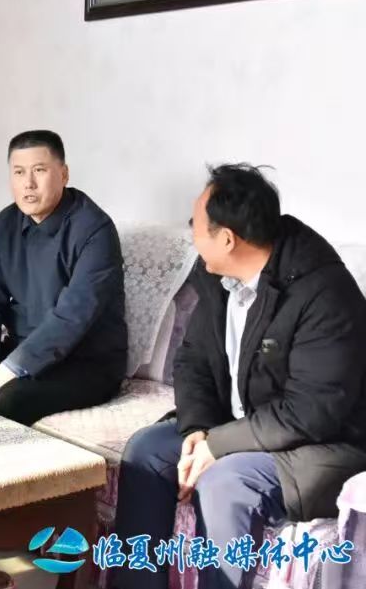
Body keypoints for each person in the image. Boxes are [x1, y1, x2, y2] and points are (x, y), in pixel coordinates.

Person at [113, 164, 366, 589]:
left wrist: (218, 445)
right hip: (242, 425)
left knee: (226, 481)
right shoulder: (216, 275)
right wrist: (197, 428)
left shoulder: (324, 294)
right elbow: (192, 360)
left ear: (228, 239)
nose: (192, 232)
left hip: (324, 444)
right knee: (147, 452)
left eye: (197, 225)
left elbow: (311, 413)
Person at [0, 130, 127, 425]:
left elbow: (73, 317)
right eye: (19, 172)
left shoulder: (95, 230)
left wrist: (6, 373)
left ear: (63, 174)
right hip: (21, 348)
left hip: (85, 362)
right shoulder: (7, 221)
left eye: (39, 170)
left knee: (4, 401)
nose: (28, 183)